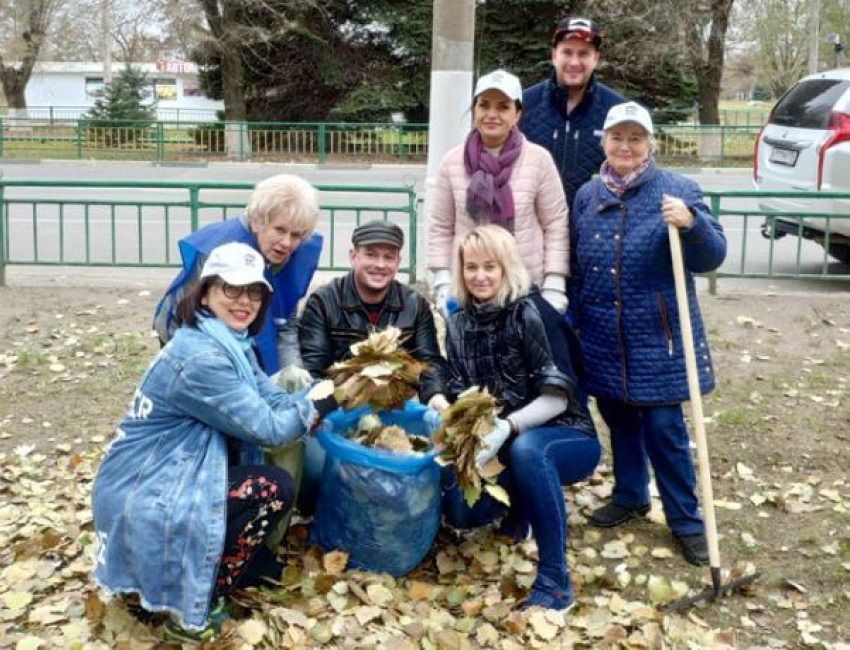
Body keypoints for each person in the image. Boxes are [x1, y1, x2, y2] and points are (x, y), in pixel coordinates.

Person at [92, 243, 337, 640]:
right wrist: (314, 408)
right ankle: (195, 606)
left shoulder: (231, 342)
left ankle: (236, 567)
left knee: (259, 484)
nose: (244, 302)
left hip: (170, 470)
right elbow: (269, 428)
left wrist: (308, 400)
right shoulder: (201, 357)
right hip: (144, 488)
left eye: (253, 292)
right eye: (231, 289)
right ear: (205, 292)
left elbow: (270, 397)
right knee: (272, 490)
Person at [567, 102, 727, 566]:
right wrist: (575, 316)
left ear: (650, 144)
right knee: (618, 417)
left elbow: (712, 255)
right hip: (600, 332)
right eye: (617, 137)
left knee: (663, 427)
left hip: (659, 335)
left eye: (636, 138)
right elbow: (578, 263)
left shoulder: (678, 190)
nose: (626, 146)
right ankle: (631, 493)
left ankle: (687, 521)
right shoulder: (588, 194)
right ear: (604, 142)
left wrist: (693, 224)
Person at [441, 225, 600, 611]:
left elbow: (558, 398)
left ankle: (554, 580)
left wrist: (507, 427)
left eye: (490, 267)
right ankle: (519, 509)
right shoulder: (458, 322)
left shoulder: (532, 311)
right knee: (462, 511)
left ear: (507, 267)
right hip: (501, 443)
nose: (480, 276)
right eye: (471, 267)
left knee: (531, 449)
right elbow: (463, 392)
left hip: (565, 435)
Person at [427, 68, 570, 316]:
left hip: (524, 287)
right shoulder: (452, 161)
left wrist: (554, 284)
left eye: (503, 107)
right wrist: (443, 282)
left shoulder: (538, 159)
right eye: (484, 105)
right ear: (474, 111)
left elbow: (556, 223)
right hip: (471, 288)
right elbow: (440, 225)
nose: (492, 114)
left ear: (517, 114)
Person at [153, 173, 322, 379]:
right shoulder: (217, 253)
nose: (287, 243)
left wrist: (293, 371)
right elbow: (185, 320)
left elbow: (285, 324)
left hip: (246, 337)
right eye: (279, 230)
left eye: (296, 235)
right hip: (193, 336)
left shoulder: (293, 254)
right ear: (258, 221)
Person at [299, 219, 449, 407]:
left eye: (389, 257)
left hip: (395, 408)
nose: (380, 265)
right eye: (371, 255)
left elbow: (429, 363)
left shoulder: (416, 305)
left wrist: (435, 395)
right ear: (353, 256)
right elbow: (312, 368)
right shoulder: (323, 302)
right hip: (338, 408)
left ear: (398, 262)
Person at [520, 17, 625, 215]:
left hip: (595, 235)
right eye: (567, 52)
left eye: (584, 53)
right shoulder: (523, 105)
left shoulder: (617, 110)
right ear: (553, 55)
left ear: (596, 58)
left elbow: (639, 173)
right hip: (534, 234)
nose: (574, 62)